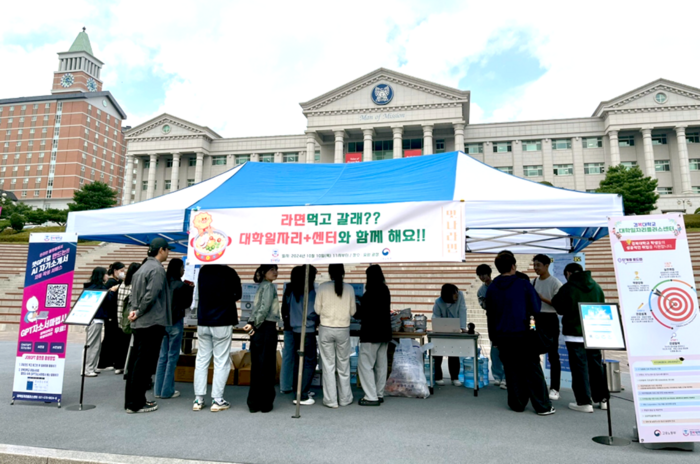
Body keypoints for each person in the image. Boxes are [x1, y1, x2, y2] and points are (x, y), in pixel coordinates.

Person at [485, 252, 555, 416]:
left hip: (502, 336)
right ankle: (542, 406)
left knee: (511, 370)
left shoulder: (492, 288)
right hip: (523, 335)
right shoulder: (523, 284)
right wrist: (532, 328)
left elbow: (491, 315)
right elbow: (534, 311)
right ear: (513, 266)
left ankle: (517, 403)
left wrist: (494, 337)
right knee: (532, 370)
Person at [552, 263, 610, 413]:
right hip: (595, 332)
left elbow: (559, 307)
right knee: (596, 366)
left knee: (579, 368)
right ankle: (602, 399)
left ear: (568, 273)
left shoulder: (568, 288)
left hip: (574, 333)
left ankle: (584, 401)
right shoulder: (597, 287)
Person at [124, 237, 173, 414]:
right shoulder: (157, 269)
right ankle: (136, 403)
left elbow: (134, 295)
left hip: (140, 321)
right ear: (161, 250)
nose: (169, 253)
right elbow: (151, 295)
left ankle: (132, 400)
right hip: (151, 321)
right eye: (168, 250)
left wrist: (134, 310)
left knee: (137, 363)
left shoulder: (141, 268)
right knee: (144, 365)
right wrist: (138, 311)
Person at [192, 264, 241, 412]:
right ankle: (217, 399)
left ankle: (198, 399)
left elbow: (197, 294)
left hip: (203, 320)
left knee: (201, 359)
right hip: (222, 320)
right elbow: (237, 294)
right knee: (221, 360)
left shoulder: (203, 270)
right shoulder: (230, 272)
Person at [315, 264, 356, 408]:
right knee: (343, 365)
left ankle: (331, 400)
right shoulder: (350, 288)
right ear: (343, 272)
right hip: (343, 329)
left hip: (326, 328)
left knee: (328, 365)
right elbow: (352, 312)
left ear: (329, 272)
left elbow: (317, 310)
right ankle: (345, 398)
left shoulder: (322, 287)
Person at [155, 258, 194, 400]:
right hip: (175, 322)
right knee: (172, 357)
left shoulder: (162, 283)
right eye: (182, 267)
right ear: (178, 269)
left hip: (162, 322)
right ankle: (167, 391)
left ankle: (158, 389)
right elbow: (186, 304)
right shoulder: (181, 285)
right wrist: (191, 288)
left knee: (162, 357)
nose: (183, 270)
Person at [244, 264, 280, 413]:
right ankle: (265, 403)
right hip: (266, 327)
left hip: (259, 328)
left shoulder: (262, 286)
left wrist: (252, 324)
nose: (275, 272)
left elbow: (258, 307)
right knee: (267, 366)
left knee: (258, 366)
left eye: (276, 269)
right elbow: (264, 308)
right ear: (264, 272)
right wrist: (255, 323)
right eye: (271, 270)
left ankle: (254, 402)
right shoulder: (270, 287)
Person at [281, 265, 319, 406]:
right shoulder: (310, 292)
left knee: (299, 361)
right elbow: (311, 312)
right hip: (307, 330)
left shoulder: (292, 291)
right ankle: (302, 394)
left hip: (295, 329)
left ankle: (299, 390)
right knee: (310, 361)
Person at [355, 265, 392, 406]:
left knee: (366, 365)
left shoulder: (370, 292)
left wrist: (355, 304)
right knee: (381, 365)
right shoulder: (385, 289)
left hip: (370, 333)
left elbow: (362, 314)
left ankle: (370, 396)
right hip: (384, 333)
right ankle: (379, 393)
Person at [531, 254, 563, 402]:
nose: (536, 268)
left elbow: (559, 306)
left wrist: (541, 298)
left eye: (538, 265)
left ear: (546, 265)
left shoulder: (555, 283)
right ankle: (537, 384)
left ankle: (555, 388)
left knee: (553, 354)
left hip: (550, 319)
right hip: (535, 320)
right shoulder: (533, 281)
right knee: (532, 352)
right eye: (534, 265)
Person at [432, 283, 467, 386]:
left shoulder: (460, 296)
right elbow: (436, 316)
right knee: (438, 353)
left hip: (455, 330)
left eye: (456, 293)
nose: (456, 296)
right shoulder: (438, 302)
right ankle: (438, 377)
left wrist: (463, 327)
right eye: (453, 294)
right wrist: (439, 327)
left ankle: (454, 377)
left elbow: (462, 310)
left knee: (454, 352)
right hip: (441, 331)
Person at [476, 264, 505, 388]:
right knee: (494, 347)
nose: (483, 277)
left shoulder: (499, 285)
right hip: (491, 319)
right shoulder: (481, 291)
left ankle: (505, 376)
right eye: (480, 275)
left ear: (490, 273)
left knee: (504, 347)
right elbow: (484, 306)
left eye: (484, 274)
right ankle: (497, 375)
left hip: (503, 317)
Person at [97, 262, 127, 373]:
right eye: (121, 270)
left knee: (113, 338)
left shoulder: (118, 282)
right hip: (111, 314)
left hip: (115, 314)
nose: (122, 272)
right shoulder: (111, 282)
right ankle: (103, 362)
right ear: (115, 270)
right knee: (109, 337)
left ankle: (110, 361)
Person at [83, 266, 111, 377]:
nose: (107, 276)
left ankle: (90, 367)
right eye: (105, 274)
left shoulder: (91, 287)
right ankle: (88, 368)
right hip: (95, 318)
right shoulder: (99, 288)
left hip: (93, 318)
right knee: (92, 345)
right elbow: (106, 302)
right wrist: (111, 292)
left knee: (94, 344)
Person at [117, 262, 141, 377]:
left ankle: (119, 365)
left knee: (122, 342)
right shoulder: (135, 285)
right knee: (131, 345)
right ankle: (128, 369)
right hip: (130, 317)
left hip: (120, 316)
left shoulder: (122, 284)